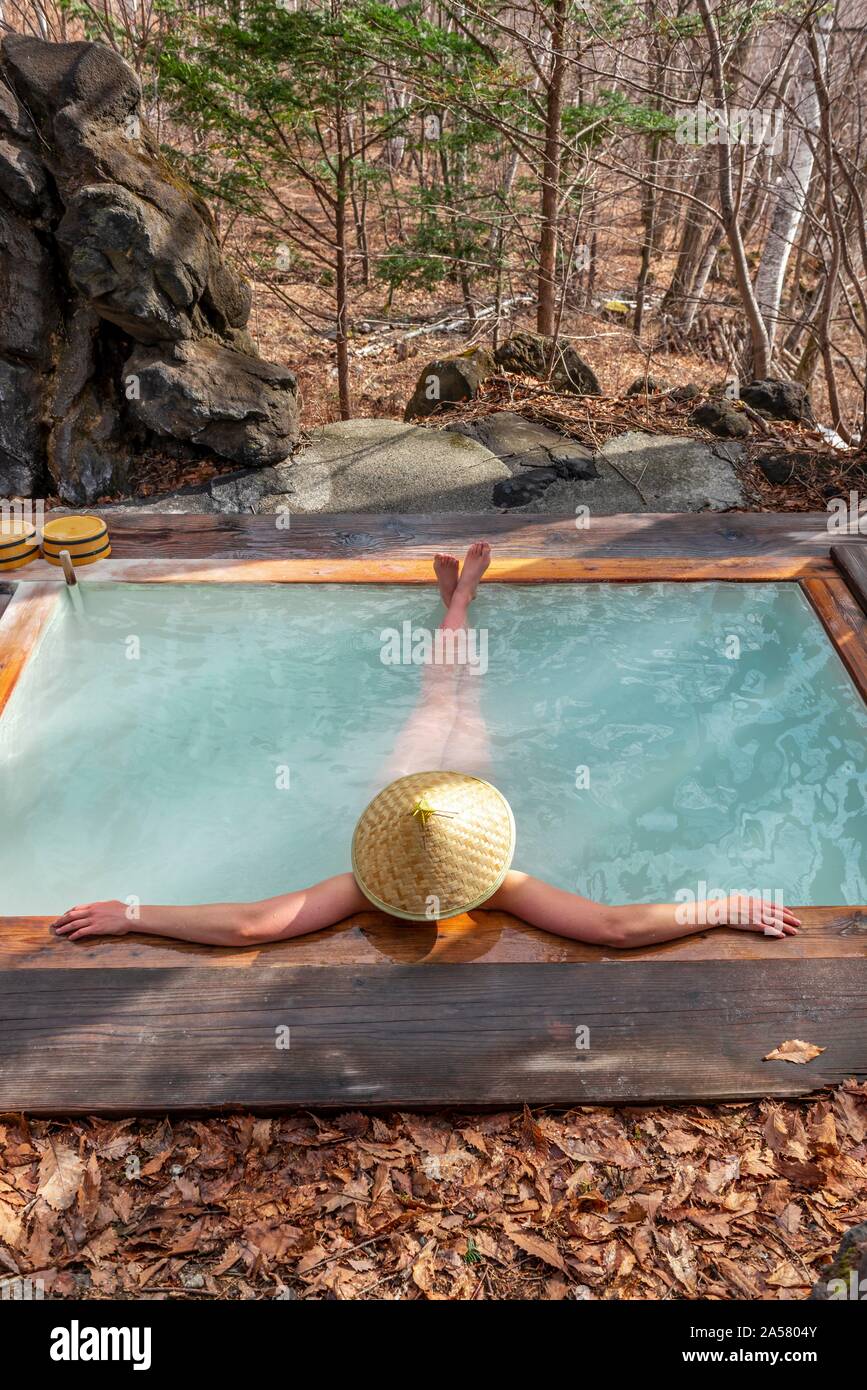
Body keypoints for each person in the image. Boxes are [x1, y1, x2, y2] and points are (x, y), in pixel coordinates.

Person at [51, 543, 800, 949]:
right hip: (435, 787)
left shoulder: (360, 885)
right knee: (453, 698)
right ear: (478, 851)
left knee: (442, 698)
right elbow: (611, 927)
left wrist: (139, 912)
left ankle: (460, 602)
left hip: (411, 781)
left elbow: (251, 924)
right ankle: (460, 601)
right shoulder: (502, 883)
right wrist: (721, 905)